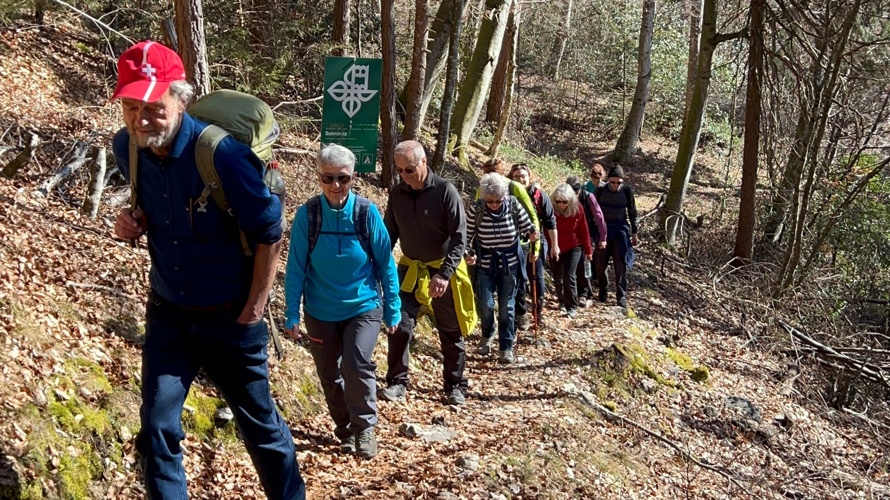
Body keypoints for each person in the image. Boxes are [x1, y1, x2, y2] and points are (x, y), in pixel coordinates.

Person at [110, 41, 305, 499]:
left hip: (231, 318)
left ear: (180, 100)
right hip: (169, 314)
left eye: (153, 108)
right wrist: (132, 221)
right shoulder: (128, 148)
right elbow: (152, 207)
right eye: (131, 107)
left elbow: (269, 232)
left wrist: (254, 310)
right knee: (156, 428)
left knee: (260, 428)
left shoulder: (223, 156)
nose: (141, 120)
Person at [283, 144, 400, 459]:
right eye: (328, 178)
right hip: (320, 309)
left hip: (363, 305)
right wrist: (291, 313)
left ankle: (364, 429)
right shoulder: (308, 216)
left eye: (343, 178)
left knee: (356, 362)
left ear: (353, 177)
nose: (336, 185)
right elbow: (295, 268)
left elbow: (386, 264)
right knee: (328, 373)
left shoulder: (366, 213)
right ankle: (345, 429)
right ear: (319, 178)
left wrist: (393, 308)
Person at [380, 140, 476, 406]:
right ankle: (397, 382)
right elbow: (389, 233)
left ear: (424, 162)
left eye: (409, 169)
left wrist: (444, 274)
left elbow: (459, 237)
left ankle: (455, 385)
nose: (404, 175)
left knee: (450, 330)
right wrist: (377, 265)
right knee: (399, 324)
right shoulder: (397, 193)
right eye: (399, 170)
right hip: (410, 269)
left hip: (443, 269)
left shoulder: (445, 191)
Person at [466, 173, 537, 364]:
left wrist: (533, 234)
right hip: (485, 264)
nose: (494, 205)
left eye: (498, 201)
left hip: (510, 265)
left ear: (504, 197)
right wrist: (468, 254)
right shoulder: (477, 209)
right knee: (485, 304)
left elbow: (528, 225)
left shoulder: (513, 205)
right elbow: (465, 237)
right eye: (490, 201)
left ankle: (506, 346)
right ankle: (488, 333)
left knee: (507, 306)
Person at [476, 158, 540, 331]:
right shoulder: (482, 189)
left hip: (518, 242)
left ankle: (521, 314)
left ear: (502, 172)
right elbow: (478, 214)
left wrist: (535, 244)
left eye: (493, 172)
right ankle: (499, 324)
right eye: (487, 173)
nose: (490, 176)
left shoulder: (515, 187)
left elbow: (531, 215)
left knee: (518, 285)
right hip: (490, 250)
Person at [508, 163, 559, 329]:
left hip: (536, 241)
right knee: (519, 279)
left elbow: (550, 221)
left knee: (536, 278)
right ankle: (520, 312)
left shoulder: (539, 195)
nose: (520, 179)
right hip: (515, 242)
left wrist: (554, 245)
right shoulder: (509, 194)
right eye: (516, 176)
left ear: (530, 177)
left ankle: (538, 312)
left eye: (523, 176)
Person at [594, 164, 639, 307]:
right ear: (608, 180)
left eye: (618, 182)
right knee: (601, 264)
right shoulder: (600, 190)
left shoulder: (627, 191)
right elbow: (592, 209)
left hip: (620, 230)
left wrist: (635, 233)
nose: (615, 185)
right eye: (612, 182)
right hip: (603, 231)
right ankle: (603, 288)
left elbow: (632, 212)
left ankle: (621, 296)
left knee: (620, 265)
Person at [548, 184, 592, 318]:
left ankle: (572, 307)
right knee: (557, 276)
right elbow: (546, 229)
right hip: (555, 245)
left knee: (569, 276)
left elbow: (584, 229)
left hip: (574, 246)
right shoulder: (550, 209)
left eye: (564, 201)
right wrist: (548, 248)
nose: (561, 204)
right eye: (558, 201)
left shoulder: (578, 208)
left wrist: (588, 249)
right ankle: (562, 301)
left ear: (570, 200)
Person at [566, 175, 607, 306]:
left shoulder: (589, 197)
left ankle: (586, 294)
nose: (574, 196)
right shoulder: (563, 197)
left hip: (589, 234)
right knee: (574, 265)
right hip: (572, 235)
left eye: (576, 193)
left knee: (585, 263)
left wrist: (603, 237)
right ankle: (577, 293)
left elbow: (599, 217)